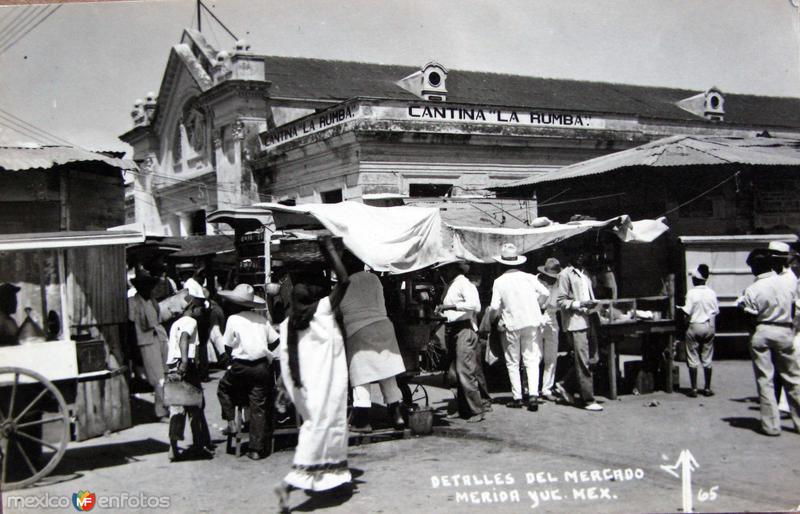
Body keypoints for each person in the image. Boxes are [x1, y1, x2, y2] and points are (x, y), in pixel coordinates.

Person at [275, 237, 352, 512]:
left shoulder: (288, 324)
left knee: (317, 429)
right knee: (326, 430)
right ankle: (291, 483)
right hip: (328, 389)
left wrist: (288, 387)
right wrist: (328, 248)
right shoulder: (323, 311)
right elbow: (344, 281)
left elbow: (286, 361)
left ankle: (328, 481)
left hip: (307, 391)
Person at [339, 251, 406, 432]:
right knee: (388, 374)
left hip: (359, 331)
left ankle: (362, 422)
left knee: (361, 377)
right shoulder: (374, 279)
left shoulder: (344, 284)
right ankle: (397, 417)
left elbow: (340, 309)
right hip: (384, 326)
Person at [737, 248, 800, 436]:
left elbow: (749, 318)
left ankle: (771, 426)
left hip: (762, 330)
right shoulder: (788, 283)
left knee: (765, 380)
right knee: (793, 378)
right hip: (785, 330)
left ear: (754, 268)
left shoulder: (752, 289)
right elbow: (794, 308)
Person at [216, 283, 279, 460]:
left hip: (241, 368)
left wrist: (238, 351)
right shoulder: (261, 320)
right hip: (261, 368)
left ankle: (231, 421)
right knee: (257, 405)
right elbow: (275, 342)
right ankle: (255, 450)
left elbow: (227, 346)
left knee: (223, 388)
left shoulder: (233, 319)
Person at [484, 243, 550, 411]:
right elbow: (546, 293)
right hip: (531, 322)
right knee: (531, 359)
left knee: (513, 361)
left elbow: (493, 307)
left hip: (511, 324)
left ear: (501, 263)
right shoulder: (529, 277)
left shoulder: (499, 282)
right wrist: (536, 306)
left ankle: (517, 396)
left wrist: (494, 319)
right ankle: (533, 394)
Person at [165, 280, 213, 460]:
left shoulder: (175, 323)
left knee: (176, 408)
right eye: (200, 307)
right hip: (186, 366)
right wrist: (185, 361)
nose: (201, 311)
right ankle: (199, 445)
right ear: (192, 305)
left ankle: (173, 447)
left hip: (172, 367)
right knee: (195, 406)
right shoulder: (190, 322)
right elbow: (184, 339)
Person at [436, 260, 486, 422]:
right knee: (453, 373)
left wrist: (450, 307)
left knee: (465, 370)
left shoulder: (465, 284)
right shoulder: (449, 286)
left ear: (453, 269)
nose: (442, 272)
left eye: (445, 269)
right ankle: (462, 407)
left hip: (464, 328)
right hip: (452, 329)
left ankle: (477, 409)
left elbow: (475, 306)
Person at [554, 250, 604, 412]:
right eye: (578, 253)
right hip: (575, 322)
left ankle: (565, 384)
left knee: (593, 357)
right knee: (583, 360)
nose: (582, 256)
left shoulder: (585, 274)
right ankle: (587, 399)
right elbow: (561, 301)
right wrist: (580, 304)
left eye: (583, 253)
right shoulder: (565, 275)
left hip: (589, 319)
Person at [128, 270, 169, 419]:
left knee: (166, 373)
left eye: (149, 286)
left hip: (159, 338)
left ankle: (166, 405)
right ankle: (160, 409)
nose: (147, 289)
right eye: (144, 286)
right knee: (158, 378)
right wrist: (134, 350)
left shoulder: (153, 301)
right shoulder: (133, 302)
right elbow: (131, 326)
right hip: (145, 342)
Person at [679, 264, 719, 398]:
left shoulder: (691, 293)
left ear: (695, 279)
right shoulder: (712, 293)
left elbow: (687, 311)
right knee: (707, 357)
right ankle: (707, 388)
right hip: (709, 325)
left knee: (692, 357)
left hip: (695, 325)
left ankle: (694, 388)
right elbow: (715, 311)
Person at [536, 258, 562, 402]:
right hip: (537, 316)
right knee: (535, 355)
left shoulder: (559, 283)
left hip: (552, 317)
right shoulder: (534, 281)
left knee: (551, 356)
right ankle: (530, 389)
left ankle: (547, 388)